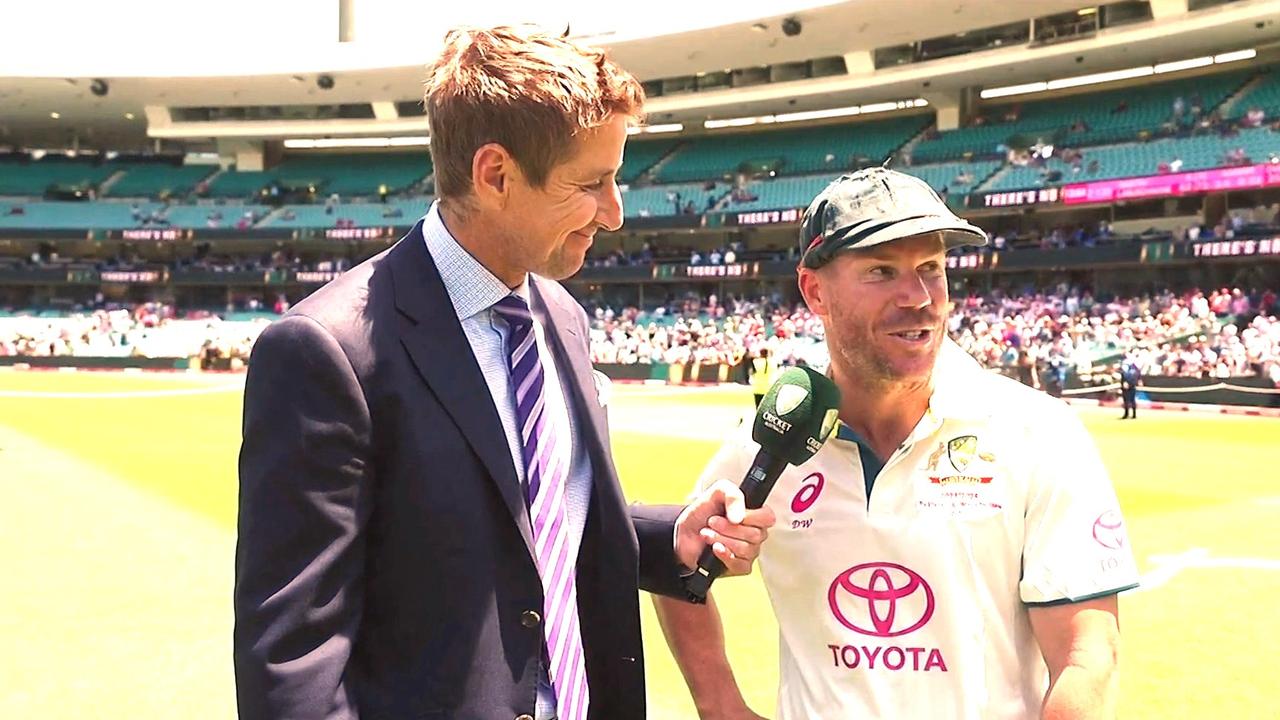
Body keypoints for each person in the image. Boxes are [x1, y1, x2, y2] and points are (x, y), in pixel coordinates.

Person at [234, 26, 774, 720]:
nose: (614, 214)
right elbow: (291, 661)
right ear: (495, 175)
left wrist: (666, 538)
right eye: (592, 184)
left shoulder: (564, 318)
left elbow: (533, 523)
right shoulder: (324, 352)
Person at [654, 168, 1139, 720]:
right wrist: (721, 706)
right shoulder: (769, 444)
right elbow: (679, 564)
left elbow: (1086, 653)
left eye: (930, 269)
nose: (918, 297)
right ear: (815, 290)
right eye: (882, 271)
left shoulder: (1038, 431)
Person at [1120, 353, 1141, 420]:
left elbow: (1125, 376)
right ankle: (1131, 414)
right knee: (1130, 400)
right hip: (1131, 385)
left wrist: (1125, 383)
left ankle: (1128, 414)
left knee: (1129, 400)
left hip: (1130, 386)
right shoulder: (1134, 369)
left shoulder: (1129, 368)